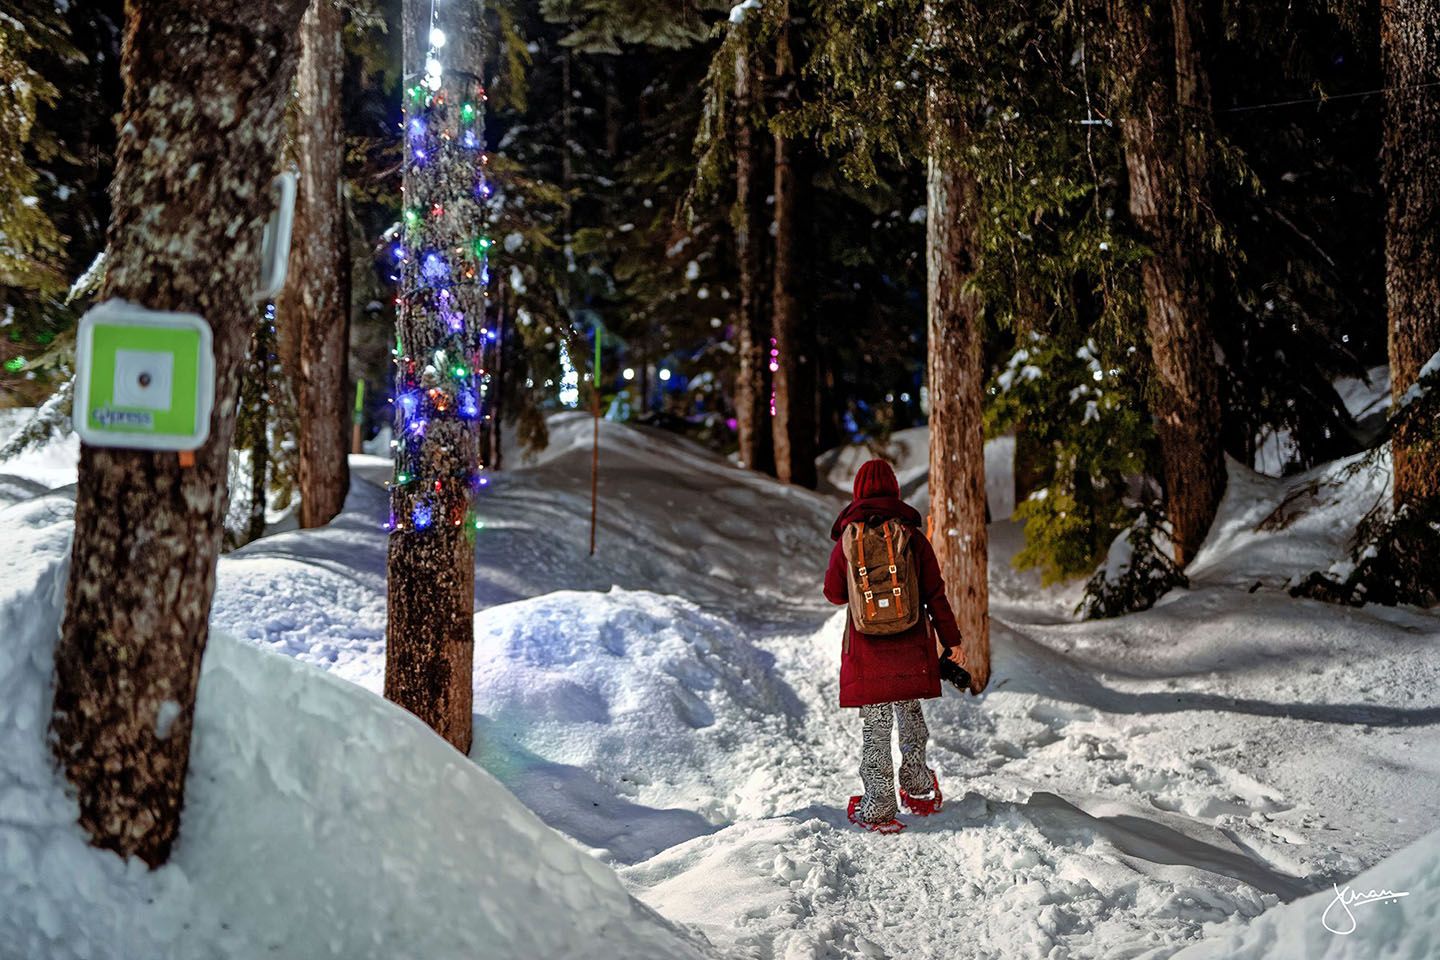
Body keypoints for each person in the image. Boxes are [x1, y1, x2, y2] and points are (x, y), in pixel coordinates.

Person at [823, 458, 966, 833]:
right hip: (910, 648)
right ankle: (919, 790)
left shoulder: (848, 539)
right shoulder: (911, 536)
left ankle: (878, 806)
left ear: (857, 492)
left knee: (876, 727)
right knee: (910, 719)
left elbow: (833, 594)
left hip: (867, 651)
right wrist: (952, 642)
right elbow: (935, 594)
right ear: (894, 489)